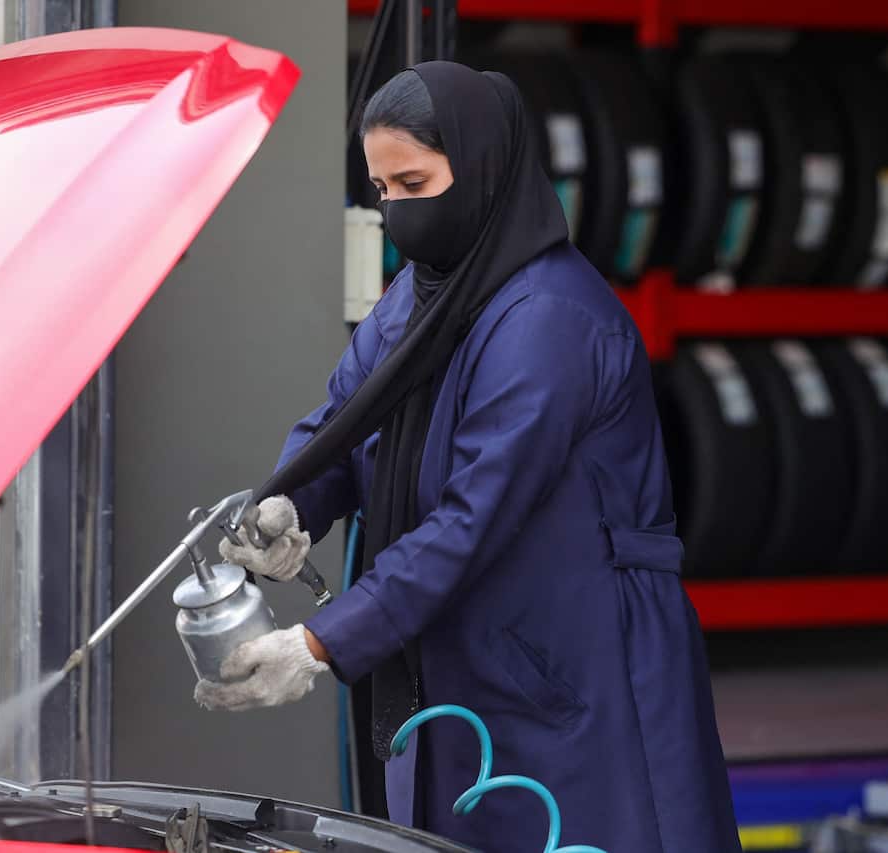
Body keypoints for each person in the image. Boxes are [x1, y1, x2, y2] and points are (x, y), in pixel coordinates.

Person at [195, 61, 741, 853]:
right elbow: (345, 420)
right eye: (382, 191)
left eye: (413, 182)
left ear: (483, 165)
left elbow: (472, 520)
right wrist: (293, 505)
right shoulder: (418, 298)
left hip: (577, 665)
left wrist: (317, 645)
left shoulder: (549, 320)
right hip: (466, 658)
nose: (396, 213)